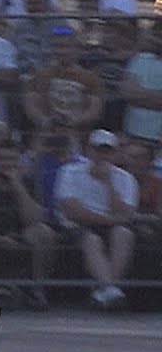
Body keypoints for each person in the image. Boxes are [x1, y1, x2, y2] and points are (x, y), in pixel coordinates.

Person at [55, 129, 138, 309]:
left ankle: (107, 290)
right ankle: (111, 288)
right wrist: (112, 220)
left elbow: (126, 213)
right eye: (97, 150)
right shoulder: (69, 172)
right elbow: (72, 211)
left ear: (115, 153)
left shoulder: (126, 178)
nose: (102, 155)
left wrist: (108, 183)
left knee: (123, 234)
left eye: (107, 151)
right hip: (78, 225)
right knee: (91, 239)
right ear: (89, 150)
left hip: (112, 225)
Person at [0, 139, 56, 308]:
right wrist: (1, 240)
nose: (7, 164)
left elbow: (35, 219)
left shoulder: (27, 183)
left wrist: (18, 187)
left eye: (12, 159)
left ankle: (36, 290)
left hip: (20, 239)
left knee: (44, 234)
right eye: (3, 159)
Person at [25, 25, 104, 133]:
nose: (61, 51)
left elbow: (94, 111)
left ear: (77, 48)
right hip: (47, 133)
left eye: (65, 47)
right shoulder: (40, 75)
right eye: (57, 46)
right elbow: (31, 105)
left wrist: (76, 120)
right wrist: (45, 121)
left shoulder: (90, 78)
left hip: (77, 133)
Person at [120, 24, 162, 143]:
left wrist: (140, 94)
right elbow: (127, 93)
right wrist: (157, 96)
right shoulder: (140, 58)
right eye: (157, 35)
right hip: (132, 135)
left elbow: (134, 94)